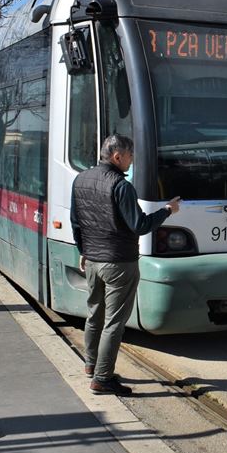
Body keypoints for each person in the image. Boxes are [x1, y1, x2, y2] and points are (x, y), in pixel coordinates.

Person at [70, 134, 181, 395]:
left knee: (94, 314)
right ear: (117, 156)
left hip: (94, 260)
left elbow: (76, 222)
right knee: (114, 322)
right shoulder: (121, 186)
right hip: (119, 262)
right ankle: (102, 379)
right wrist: (167, 210)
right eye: (130, 156)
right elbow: (140, 225)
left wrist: (83, 250)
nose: (132, 161)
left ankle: (91, 365)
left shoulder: (81, 179)